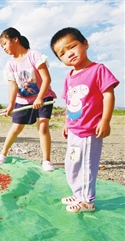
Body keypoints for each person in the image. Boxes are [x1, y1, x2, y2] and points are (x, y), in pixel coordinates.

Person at [50, 27, 119, 213]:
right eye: (62, 53)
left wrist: (105, 120)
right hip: (74, 130)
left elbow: (108, 95)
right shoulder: (69, 77)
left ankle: (87, 201)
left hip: (90, 131)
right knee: (72, 163)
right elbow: (69, 103)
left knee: (87, 166)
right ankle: (78, 193)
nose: (68, 54)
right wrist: (66, 123)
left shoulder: (98, 70)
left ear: (85, 44)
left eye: (72, 47)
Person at [0, 27, 57, 171]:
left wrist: (40, 98)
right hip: (23, 100)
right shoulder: (10, 64)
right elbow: (13, 87)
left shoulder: (34, 56)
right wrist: (10, 105)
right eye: (2, 46)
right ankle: (3, 154)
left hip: (43, 96)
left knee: (42, 127)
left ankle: (46, 160)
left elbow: (47, 79)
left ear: (15, 39)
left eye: (4, 43)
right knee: (16, 128)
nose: (3, 48)